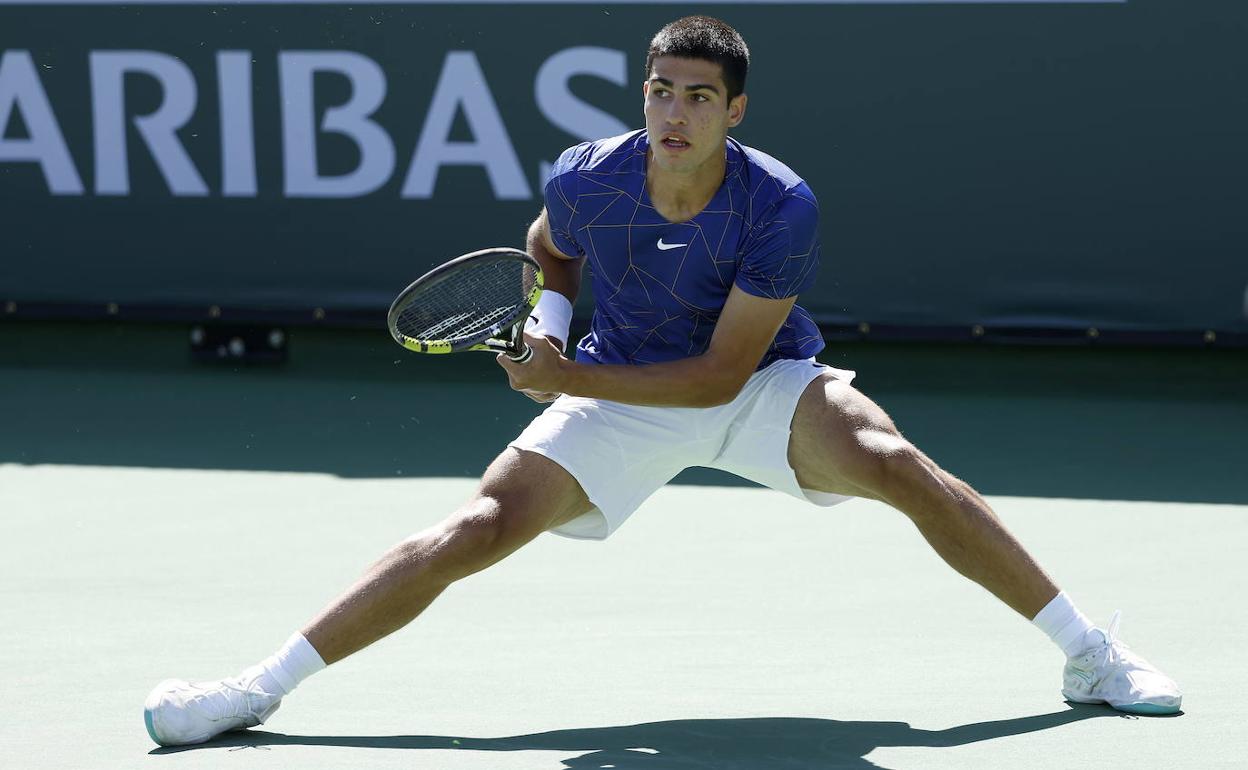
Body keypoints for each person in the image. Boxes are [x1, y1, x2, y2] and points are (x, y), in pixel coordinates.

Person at [143, 15, 1180, 747]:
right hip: (612, 386)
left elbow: (724, 372)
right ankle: (255, 686)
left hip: (754, 383)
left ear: (734, 111)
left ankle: (1089, 652)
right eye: (659, 91)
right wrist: (552, 330)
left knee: (894, 461)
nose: (673, 114)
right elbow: (550, 249)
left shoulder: (779, 207)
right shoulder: (587, 175)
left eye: (697, 98)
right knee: (472, 530)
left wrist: (567, 379)